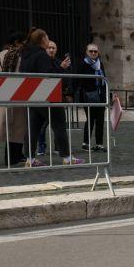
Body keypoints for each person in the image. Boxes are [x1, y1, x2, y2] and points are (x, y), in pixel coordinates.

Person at [18, 29, 83, 166]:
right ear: (42, 40)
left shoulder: (26, 55)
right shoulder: (41, 55)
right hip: (47, 95)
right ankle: (66, 157)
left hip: (32, 96)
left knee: (33, 127)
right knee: (59, 125)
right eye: (47, 38)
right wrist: (61, 67)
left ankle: (30, 158)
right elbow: (49, 75)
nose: (48, 40)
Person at [0, 31, 28, 166]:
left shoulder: (1, 54)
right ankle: (14, 156)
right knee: (18, 126)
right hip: (17, 92)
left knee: (10, 126)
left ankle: (11, 156)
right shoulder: (19, 55)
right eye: (22, 42)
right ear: (16, 42)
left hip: (4, 91)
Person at [75, 43, 108, 151]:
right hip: (88, 95)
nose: (93, 53)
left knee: (100, 119)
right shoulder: (82, 64)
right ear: (87, 52)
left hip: (100, 95)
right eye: (91, 51)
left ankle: (99, 143)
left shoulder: (100, 64)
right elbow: (76, 80)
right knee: (91, 119)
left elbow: (104, 79)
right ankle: (86, 143)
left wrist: (108, 93)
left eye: (95, 51)